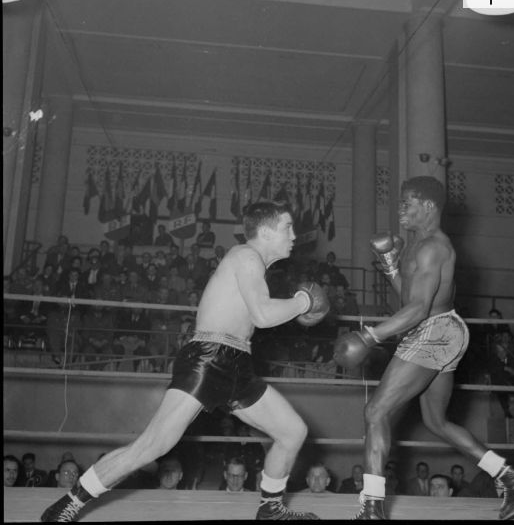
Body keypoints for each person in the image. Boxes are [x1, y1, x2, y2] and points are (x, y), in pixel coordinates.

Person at [41, 201, 329, 522]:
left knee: (292, 431)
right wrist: (303, 301)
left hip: (237, 362)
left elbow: (256, 315)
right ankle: (69, 503)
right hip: (209, 358)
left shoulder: (254, 263)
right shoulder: (246, 257)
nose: (294, 235)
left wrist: (296, 303)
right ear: (264, 231)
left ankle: (271, 508)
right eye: (287, 227)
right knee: (151, 447)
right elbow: (262, 314)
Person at [332, 176, 514, 520]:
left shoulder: (433, 248)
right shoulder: (418, 244)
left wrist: (371, 336)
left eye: (406, 203)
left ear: (428, 206)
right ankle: (511, 478)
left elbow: (418, 310)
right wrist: (392, 267)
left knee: (375, 411)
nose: (400, 210)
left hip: (435, 332)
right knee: (436, 421)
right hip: (443, 330)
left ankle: (372, 508)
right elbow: (410, 297)